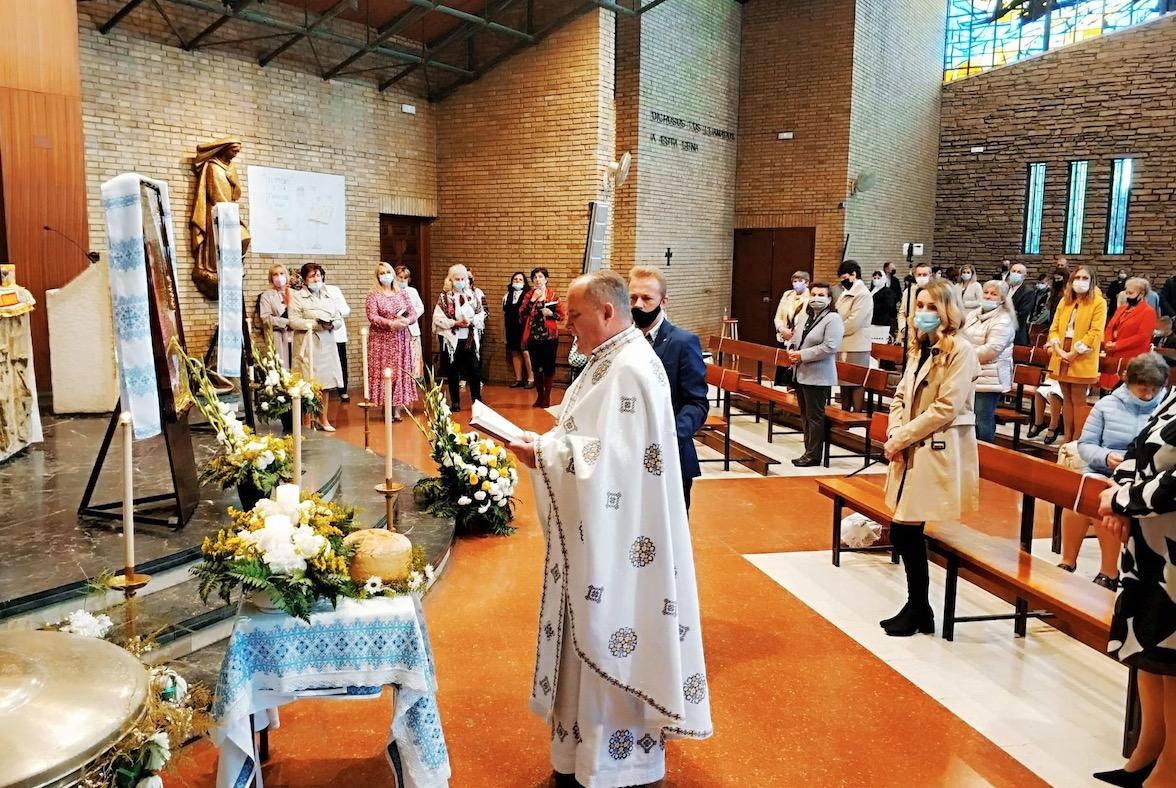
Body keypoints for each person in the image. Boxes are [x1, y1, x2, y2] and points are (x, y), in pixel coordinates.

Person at [507, 270, 712, 788]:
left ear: (605, 311)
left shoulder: (629, 367)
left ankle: (614, 764)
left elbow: (615, 466)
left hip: (620, 541)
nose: (564, 325)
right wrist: (553, 444)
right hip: (599, 533)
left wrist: (545, 452)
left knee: (612, 625)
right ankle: (582, 755)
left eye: (572, 316)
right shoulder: (610, 359)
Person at [881, 280, 979, 637]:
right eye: (919, 306)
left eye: (931, 307)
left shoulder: (961, 351)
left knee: (905, 528)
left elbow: (946, 407)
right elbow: (901, 394)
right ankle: (918, 608)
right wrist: (894, 432)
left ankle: (918, 608)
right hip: (909, 443)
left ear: (948, 310)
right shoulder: (918, 347)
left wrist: (902, 437)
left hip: (935, 447)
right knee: (905, 527)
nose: (922, 313)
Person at [1093, 376, 1176, 786]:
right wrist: (1119, 492)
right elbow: (1138, 451)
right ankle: (1149, 749)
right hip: (1150, 551)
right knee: (1149, 651)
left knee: (1173, 662)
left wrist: (1122, 501)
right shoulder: (1174, 396)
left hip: (1173, 558)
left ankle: (1172, 769)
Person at [1058, 353, 1169, 588]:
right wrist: (1106, 457)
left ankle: (1108, 573)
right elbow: (1085, 445)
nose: (1148, 395)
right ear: (1128, 382)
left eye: (1153, 390)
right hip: (1104, 469)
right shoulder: (1106, 405)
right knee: (1081, 497)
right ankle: (1067, 562)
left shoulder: (1166, 410)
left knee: (1108, 503)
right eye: (1142, 389)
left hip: (1142, 478)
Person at [628, 266, 709, 510]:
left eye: (646, 298)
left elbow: (696, 403)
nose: (638, 305)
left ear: (663, 301)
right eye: (632, 298)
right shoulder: (622, 340)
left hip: (670, 455)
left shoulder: (683, 342)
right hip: (628, 456)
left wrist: (669, 436)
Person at [1047, 265, 1107, 443]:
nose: (1080, 282)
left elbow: (1095, 332)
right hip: (1061, 351)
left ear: (1091, 281)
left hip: (1082, 353)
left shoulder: (1098, 302)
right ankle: (1066, 435)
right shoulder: (1065, 300)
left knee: (1078, 399)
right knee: (1066, 398)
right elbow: (1055, 327)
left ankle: (1077, 438)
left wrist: (1073, 353)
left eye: (1084, 278)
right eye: (1077, 278)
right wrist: (1058, 348)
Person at [786, 282, 844, 467]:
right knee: (804, 415)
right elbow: (797, 338)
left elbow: (830, 346)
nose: (816, 298)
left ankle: (814, 454)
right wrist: (791, 350)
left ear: (829, 299)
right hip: (802, 372)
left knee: (815, 416)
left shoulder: (833, 319)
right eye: (814, 294)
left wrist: (802, 355)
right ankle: (807, 450)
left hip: (819, 375)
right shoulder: (806, 316)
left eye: (821, 295)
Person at [189, 137, 250, 300]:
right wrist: (228, 211)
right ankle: (213, 267)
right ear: (224, 149)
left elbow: (236, 195)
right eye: (233, 151)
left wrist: (234, 180)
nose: (235, 155)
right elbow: (215, 193)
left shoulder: (231, 167)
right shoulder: (213, 167)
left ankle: (231, 266)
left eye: (238, 152)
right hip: (217, 213)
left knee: (245, 237)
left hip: (229, 212)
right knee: (217, 243)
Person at [288, 263, 343, 431]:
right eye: (312, 276)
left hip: (326, 344)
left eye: (318, 275)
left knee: (325, 384)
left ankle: (323, 418)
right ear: (305, 279)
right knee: (308, 383)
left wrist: (332, 324)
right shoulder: (297, 296)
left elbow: (339, 319)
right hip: (308, 343)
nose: (316, 279)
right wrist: (316, 323)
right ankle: (306, 420)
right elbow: (294, 321)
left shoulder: (328, 296)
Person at [961, 280, 1016, 443]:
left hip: (990, 378)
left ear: (1002, 299)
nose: (988, 296)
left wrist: (962, 355)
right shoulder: (973, 315)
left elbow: (991, 350)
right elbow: (961, 337)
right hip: (969, 373)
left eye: (994, 294)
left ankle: (986, 453)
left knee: (982, 419)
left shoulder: (1004, 320)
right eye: (986, 292)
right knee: (967, 418)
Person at [366, 262, 417, 420]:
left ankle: (397, 408)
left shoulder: (402, 293)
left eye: (387, 272)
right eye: (382, 273)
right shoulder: (373, 295)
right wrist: (390, 323)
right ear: (377, 276)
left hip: (400, 339)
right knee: (385, 373)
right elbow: (372, 316)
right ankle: (386, 406)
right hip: (382, 340)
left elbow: (413, 312)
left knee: (399, 373)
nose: (385, 275)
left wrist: (406, 321)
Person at [432, 263, 485, 411]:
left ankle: (477, 400)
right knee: (453, 371)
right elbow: (437, 318)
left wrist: (471, 320)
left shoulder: (472, 295)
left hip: (469, 338)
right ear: (450, 280)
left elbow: (481, 314)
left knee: (474, 370)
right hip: (452, 339)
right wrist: (454, 322)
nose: (460, 281)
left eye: (463, 278)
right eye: (457, 279)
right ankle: (455, 401)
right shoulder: (444, 298)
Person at [1101, 277, 1158, 391]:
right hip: (1112, 354)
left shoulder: (1148, 312)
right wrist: (1108, 341)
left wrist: (1118, 345)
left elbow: (1142, 337)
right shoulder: (1122, 308)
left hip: (1132, 357)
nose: (1127, 296)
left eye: (1131, 293)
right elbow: (1110, 327)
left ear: (1141, 294)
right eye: (1126, 292)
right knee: (1107, 391)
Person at [520, 267, 565, 409]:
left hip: (549, 337)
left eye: (540, 277)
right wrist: (533, 300)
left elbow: (561, 315)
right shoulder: (528, 295)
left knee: (549, 367)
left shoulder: (552, 295)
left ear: (546, 279)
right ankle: (539, 396)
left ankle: (547, 397)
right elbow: (522, 314)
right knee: (536, 368)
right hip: (533, 336)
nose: (537, 279)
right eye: (535, 277)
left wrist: (551, 314)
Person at [834, 260, 873, 411]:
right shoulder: (845, 293)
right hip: (842, 342)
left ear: (853, 275)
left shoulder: (862, 294)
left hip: (857, 344)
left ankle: (856, 413)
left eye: (844, 277)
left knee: (856, 380)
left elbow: (854, 321)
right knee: (844, 379)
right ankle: (844, 410)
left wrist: (836, 331)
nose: (843, 281)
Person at [773, 271, 809, 386]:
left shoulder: (811, 297)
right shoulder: (787, 295)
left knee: (794, 376)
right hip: (784, 337)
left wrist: (795, 334)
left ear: (807, 283)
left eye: (800, 281)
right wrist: (781, 329)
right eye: (794, 281)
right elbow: (778, 316)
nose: (796, 284)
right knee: (782, 373)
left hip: (798, 340)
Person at [321, 270, 352, 402]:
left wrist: (332, 314)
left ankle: (343, 390)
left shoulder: (333, 290)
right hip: (320, 334)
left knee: (341, 362)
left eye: (318, 275)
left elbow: (345, 309)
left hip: (337, 333)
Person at [393, 265, 425, 380]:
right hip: (397, 327)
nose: (402, 280)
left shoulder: (412, 291)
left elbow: (420, 307)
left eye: (405, 278)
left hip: (411, 328)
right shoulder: (392, 292)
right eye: (400, 277)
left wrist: (410, 315)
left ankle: (413, 378)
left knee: (413, 356)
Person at [257, 263, 292, 367]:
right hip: (278, 337)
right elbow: (266, 318)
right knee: (282, 368)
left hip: (295, 337)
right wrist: (287, 322)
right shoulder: (266, 296)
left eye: (282, 273)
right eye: (275, 274)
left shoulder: (294, 293)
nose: (279, 277)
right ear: (271, 278)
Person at [503, 271, 533, 388]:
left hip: (524, 328)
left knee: (526, 352)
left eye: (520, 280)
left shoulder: (528, 295)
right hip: (511, 328)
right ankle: (518, 379)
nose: (517, 282)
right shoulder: (507, 296)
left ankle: (531, 378)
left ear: (524, 282)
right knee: (515, 352)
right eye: (515, 280)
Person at [897, 263, 933, 346]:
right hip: (908, 334)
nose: (922, 277)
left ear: (930, 275)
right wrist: (904, 328)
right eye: (919, 275)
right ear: (915, 276)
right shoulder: (908, 292)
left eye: (925, 275)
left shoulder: (935, 292)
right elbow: (902, 313)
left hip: (927, 335)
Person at [1007, 262, 1035, 346]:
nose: (1015, 273)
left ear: (1024, 276)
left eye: (1019, 272)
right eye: (1013, 271)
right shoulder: (1005, 288)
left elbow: (1022, 314)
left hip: (1016, 333)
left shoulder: (1028, 291)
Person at [869, 269, 898, 345]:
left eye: (878, 278)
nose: (876, 280)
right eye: (874, 278)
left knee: (880, 343)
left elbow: (889, 306)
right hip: (871, 321)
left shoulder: (888, 292)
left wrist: (874, 307)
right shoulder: (872, 291)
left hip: (882, 322)